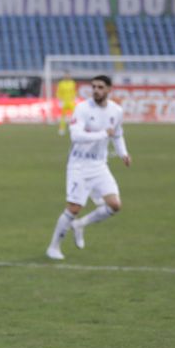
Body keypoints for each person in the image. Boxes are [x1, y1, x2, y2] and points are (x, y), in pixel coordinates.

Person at [46, 74, 130, 261]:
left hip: (100, 165)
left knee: (115, 205)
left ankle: (80, 225)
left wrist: (123, 153)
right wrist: (101, 135)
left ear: (109, 90)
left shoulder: (116, 111)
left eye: (100, 87)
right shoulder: (82, 108)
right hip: (79, 165)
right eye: (93, 87)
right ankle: (53, 247)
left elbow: (117, 135)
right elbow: (75, 136)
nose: (96, 90)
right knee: (74, 208)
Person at [56, 72, 77, 136]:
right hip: (64, 101)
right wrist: (60, 100)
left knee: (75, 115)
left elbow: (74, 91)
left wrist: (75, 98)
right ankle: (62, 129)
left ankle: (75, 128)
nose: (67, 77)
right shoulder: (61, 83)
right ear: (64, 76)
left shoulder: (72, 83)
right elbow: (58, 92)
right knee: (62, 116)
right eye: (66, 76)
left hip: (71, 101)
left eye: (68, 75)